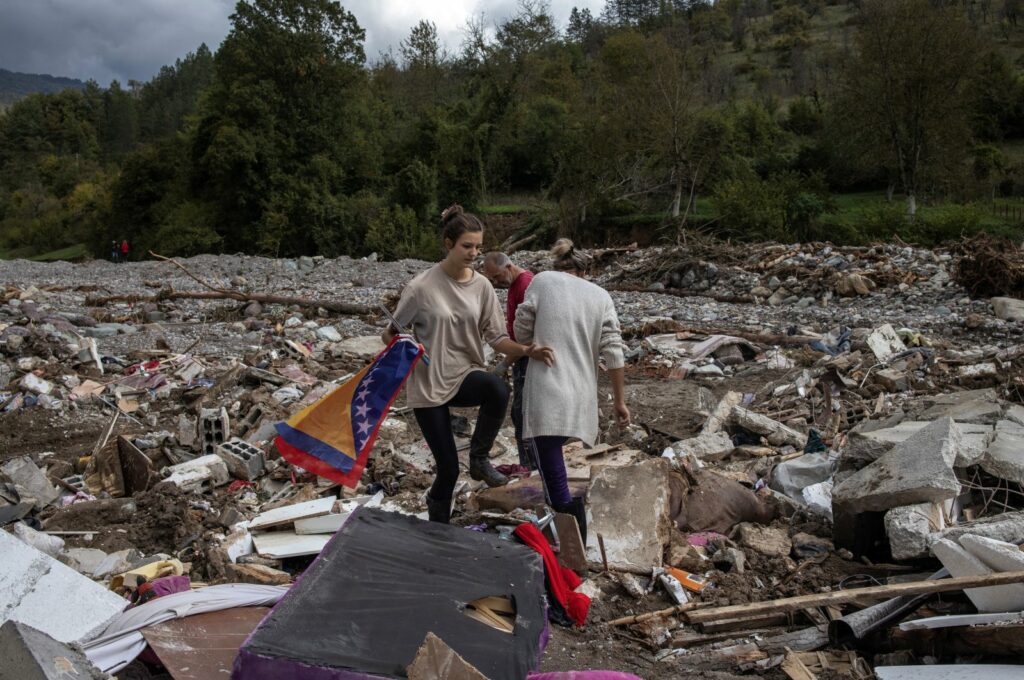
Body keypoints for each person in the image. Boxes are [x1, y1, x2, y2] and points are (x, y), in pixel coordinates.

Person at [383, 205, 555, 524]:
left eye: (478, 246)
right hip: (429, 384)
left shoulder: (482, 287)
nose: (474, 253)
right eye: (467, 246)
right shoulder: (420, 288)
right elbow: (390, 334)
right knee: (447, 470)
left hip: (462, 375)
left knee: (496, 389)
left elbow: (496, 338)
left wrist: (527, 349)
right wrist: (404, 343)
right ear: (448, 244)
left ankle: (479, 459)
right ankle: (438, 523)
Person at [514, 239, 630, 544]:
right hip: (581, 399)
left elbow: (521, 330)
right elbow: (614, 353)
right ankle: (571, 536)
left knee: (553, 478)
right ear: (585, 268)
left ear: (558, 265)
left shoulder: (542, 280)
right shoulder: (601, 296)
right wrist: (619, 402)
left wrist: (532, 342)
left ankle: (569, 543)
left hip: (547, 396)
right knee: (556, 467)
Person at [482, 251, 534, 469]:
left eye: (496, 276)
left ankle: (530, 469)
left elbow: (528, 337)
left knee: (524, 416)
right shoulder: (515, 285)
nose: (496, 282)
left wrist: (505, 363)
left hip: (528, 359)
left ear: (509, 266)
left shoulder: (525, 285)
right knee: (519, 413)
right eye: (492, 279)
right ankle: (529, 465)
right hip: (521, 356)